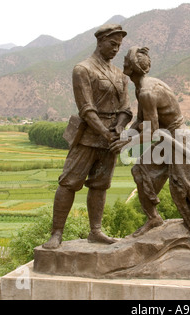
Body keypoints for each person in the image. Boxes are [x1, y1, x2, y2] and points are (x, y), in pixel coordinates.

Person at [111, 46, 190, 252]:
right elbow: (142, 121)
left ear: (131, 67)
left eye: (126, 59)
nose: (122, 62)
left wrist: (126, 142)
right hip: (166, 140)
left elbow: (151, 130)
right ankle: (153, 219)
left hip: (177, 140)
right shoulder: (141, 87)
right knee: (139, 171)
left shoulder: (146, 91)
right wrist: (124, 135)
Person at [43, 24, 132, 249]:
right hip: (87, 137)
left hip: (110, 139)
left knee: (100, 185)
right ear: (100, 41)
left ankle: (96, 231)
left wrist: (119, 130)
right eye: (112, 44)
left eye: (119, 46)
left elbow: (126, 109)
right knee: (69, 182)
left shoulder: (120, 76)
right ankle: (57, 233)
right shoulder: (83, 69)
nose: (116, 49)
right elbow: (86, 108)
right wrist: (104, 132)